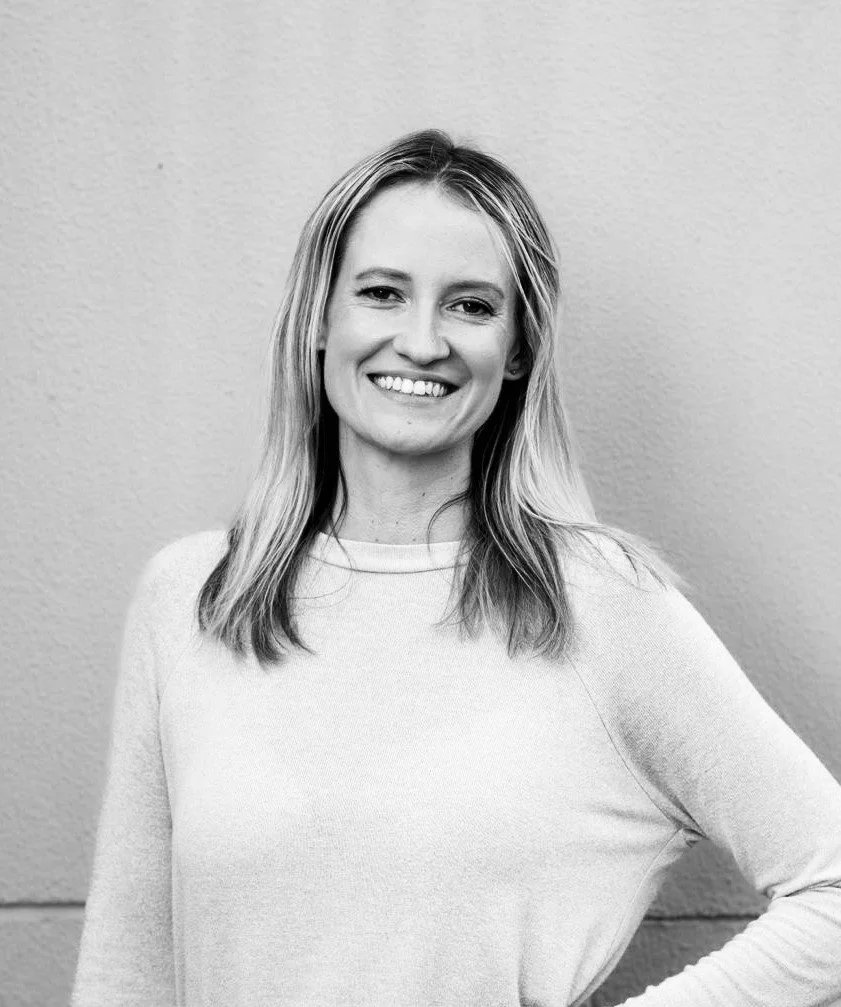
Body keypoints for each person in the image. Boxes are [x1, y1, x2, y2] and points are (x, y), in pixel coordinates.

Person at [71, 129, 841, 1007]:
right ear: (321, 319)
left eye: (470, 305)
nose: (422, 341)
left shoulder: (594, 602)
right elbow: (127, 970)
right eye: (381, 293)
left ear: (517, 347)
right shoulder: (193, 593)